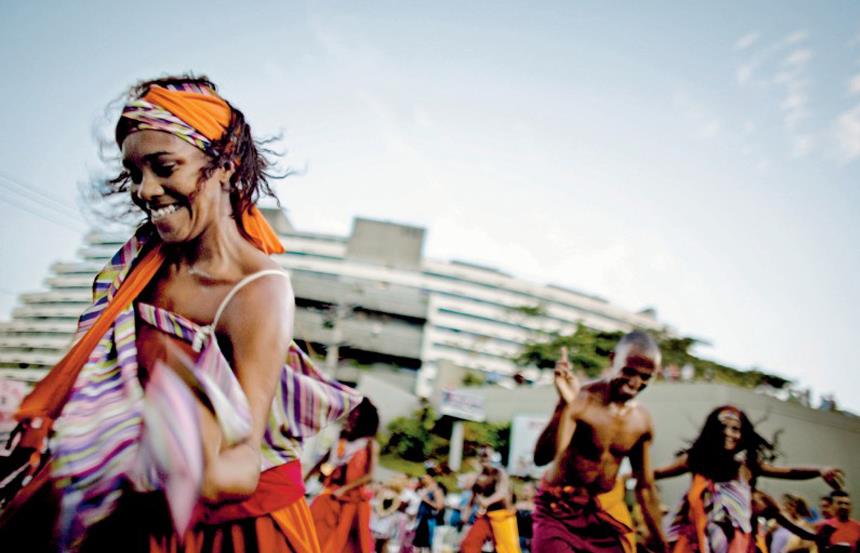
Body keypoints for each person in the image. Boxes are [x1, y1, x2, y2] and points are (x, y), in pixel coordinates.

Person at [0, 75, 360, 552]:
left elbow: (244, 462)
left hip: (223, 530)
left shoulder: (257, 291)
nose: (146, 191)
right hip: (121, 499)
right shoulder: (141, 264)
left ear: (226, 166)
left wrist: (190, 464)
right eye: (134, 173)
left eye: (165, 167)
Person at [531, 333, 667, 553]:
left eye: (645, 377)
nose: (635, 383)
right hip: (559, 512)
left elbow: (645, 487)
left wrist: (660, 540)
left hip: (602, 514)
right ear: (613, 359)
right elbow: (541, 457)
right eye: (629, 371)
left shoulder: (641, 420)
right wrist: (564, 405)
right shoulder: (582, 399)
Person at [656, 405, 843, 553]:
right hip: (697, 543)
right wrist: (628, 472)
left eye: (735, 429)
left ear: (743, 436)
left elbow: (789, 472)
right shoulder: (695, 460)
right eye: (722, 427)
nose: (728, 433)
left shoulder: (750, 478)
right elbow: (654, 474)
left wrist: (820, 470)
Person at [308, 397, 381, 553]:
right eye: (350, 415)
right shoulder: (341, 439)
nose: (350, 419)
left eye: (355, 416)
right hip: (331, 493)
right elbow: (323, 460)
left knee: (345, 541)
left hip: (351, 499)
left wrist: (345, 489)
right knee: (314, 530)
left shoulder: (369, 443)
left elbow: (369, 476)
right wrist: (304, 479)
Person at [460, 446, 521, 553]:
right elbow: (473, 497)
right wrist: (466, 513)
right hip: (486, 516)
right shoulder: (479, 476)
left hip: (503, 516)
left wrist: (487, 501)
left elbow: (502, 492)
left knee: (506, 550)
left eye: (487, 455)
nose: (483, 457)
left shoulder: (500, 473)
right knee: (469, 545)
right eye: (482, 455)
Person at [412, 472, 445, 553]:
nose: (422, 479)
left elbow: (440, 506)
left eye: (424, 477)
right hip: (420, 519)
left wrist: (427, 500)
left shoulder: (436, 490)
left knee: (425, 545)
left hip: (428, 520)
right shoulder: (424, 488)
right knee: (416, 543)